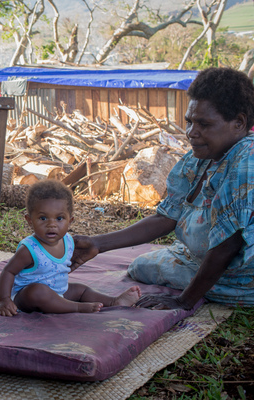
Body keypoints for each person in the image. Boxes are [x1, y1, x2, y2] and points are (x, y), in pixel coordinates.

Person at [72, 67, 254, 311]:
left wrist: (184, 301)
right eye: (189, 121)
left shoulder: (247, 157)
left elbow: (228, 245)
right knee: (142, 266)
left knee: (147, 267)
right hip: (203, 259)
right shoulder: (198, 159)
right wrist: (97, 243)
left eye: (204, 124)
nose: (191, 132)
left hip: (241, 276)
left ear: (239, 123)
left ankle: (204, 285)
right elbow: (165, 218)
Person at [0, 180, 141, 316]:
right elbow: (8, 272)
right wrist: (5, 300)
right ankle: (76, 307)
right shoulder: (29, 249)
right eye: (43, 218)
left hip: (59, 292)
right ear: (29, 220)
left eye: (59, 218)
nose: (51, 224)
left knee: (80, 289)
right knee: (38, 291)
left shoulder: (68, 241)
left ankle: (113, 301)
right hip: (27, 297)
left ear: (70, 221)